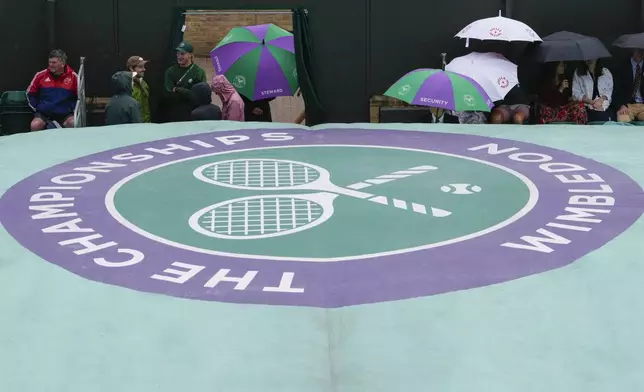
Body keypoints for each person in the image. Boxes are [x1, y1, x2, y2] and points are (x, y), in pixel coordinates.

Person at [26, 49, 78, 130]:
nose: (50, 65)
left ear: (62, 63)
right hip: (44, 114)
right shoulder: (40, 75)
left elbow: (79, 98)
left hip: (65, 114)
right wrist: (38, 107)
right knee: (35, 125)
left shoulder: (74, 77)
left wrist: (71, 108)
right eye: (49, 62)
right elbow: (30, 94)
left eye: (54, 62)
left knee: (74, 123)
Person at [163, 41, 207, 122]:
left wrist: (178, 89)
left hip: (193, 113)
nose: (179, 56)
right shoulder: (170, 71)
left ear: (191, 55)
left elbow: (199, 95)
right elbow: (169, 93)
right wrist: (188, 92)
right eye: (178, 53)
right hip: (175, 112)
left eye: (182, 54)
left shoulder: (198, 72)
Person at [572, 58, 614, 123]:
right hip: (586, 105)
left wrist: (601, 101)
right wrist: (592, 102)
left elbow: (609, 91)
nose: (590, 59)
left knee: (605, 117)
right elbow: (576, 93)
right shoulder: (578, 72)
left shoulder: (606, 72)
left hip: (603, 104)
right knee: (596, 117)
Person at [614, 49, 644, 122]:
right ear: (632, 50)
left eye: (643, 50)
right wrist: (621, 105)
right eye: (638, 50)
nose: (640, 53)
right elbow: (615, 90)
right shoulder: (621, 67)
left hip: (643, 105)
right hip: (627, 106)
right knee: (623, 121)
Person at [126, 56, 151, 123]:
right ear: (131, 68)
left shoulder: (143, 83)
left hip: (146, 124)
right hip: (133, 126)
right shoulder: (126, 85)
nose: (144, 69)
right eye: (140, 67)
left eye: (143, 66)